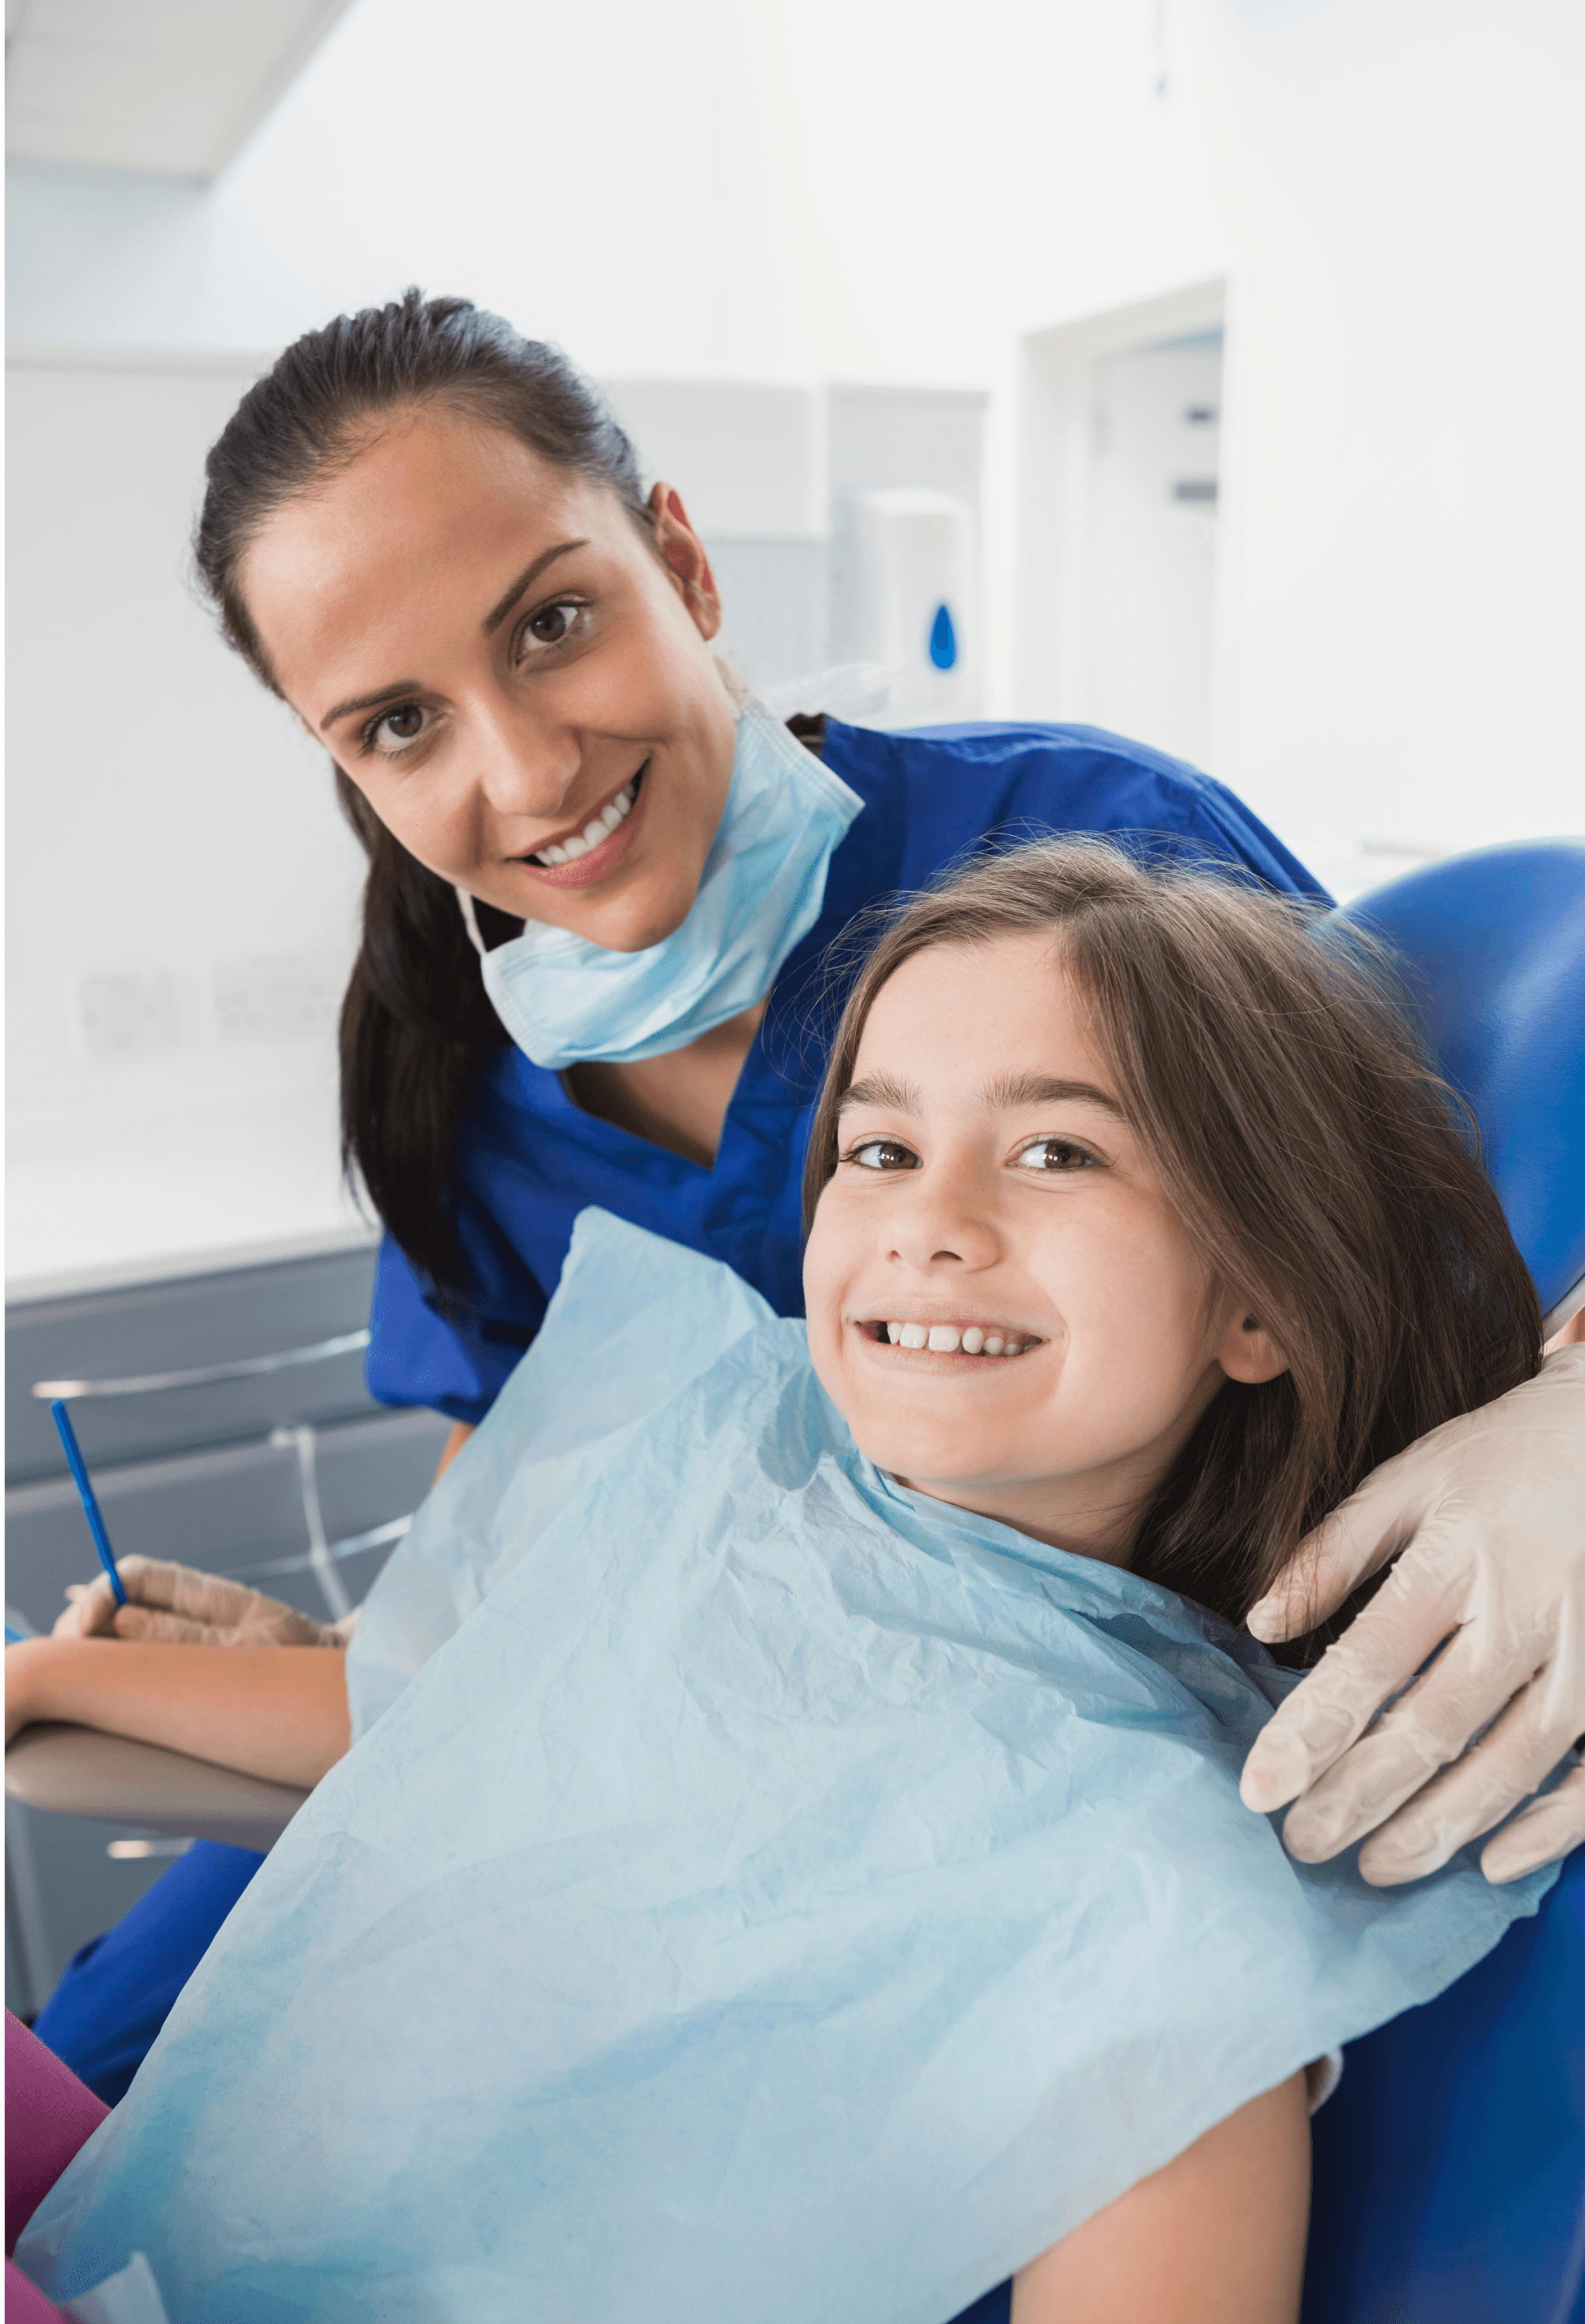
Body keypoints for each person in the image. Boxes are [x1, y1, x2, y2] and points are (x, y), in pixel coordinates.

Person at [7, 290, 1582, 2098]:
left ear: (679, 558)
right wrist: (366, 1656)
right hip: (673, 1780)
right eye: (396, 726)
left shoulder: (1089, 853)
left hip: (1074, 1793)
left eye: (556, 623)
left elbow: (1425, 1216)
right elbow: (537, 1500)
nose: (523, 771)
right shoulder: (457, 1069)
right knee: (108, 2073)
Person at [15, 841, 1565, 2324]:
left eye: (1058, 1150)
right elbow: (442, 1736)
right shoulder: (750, 1475)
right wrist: (44, 1685)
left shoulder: (1153, 1912)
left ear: (1261, 1306)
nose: (928, 1224)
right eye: (878, 1148)